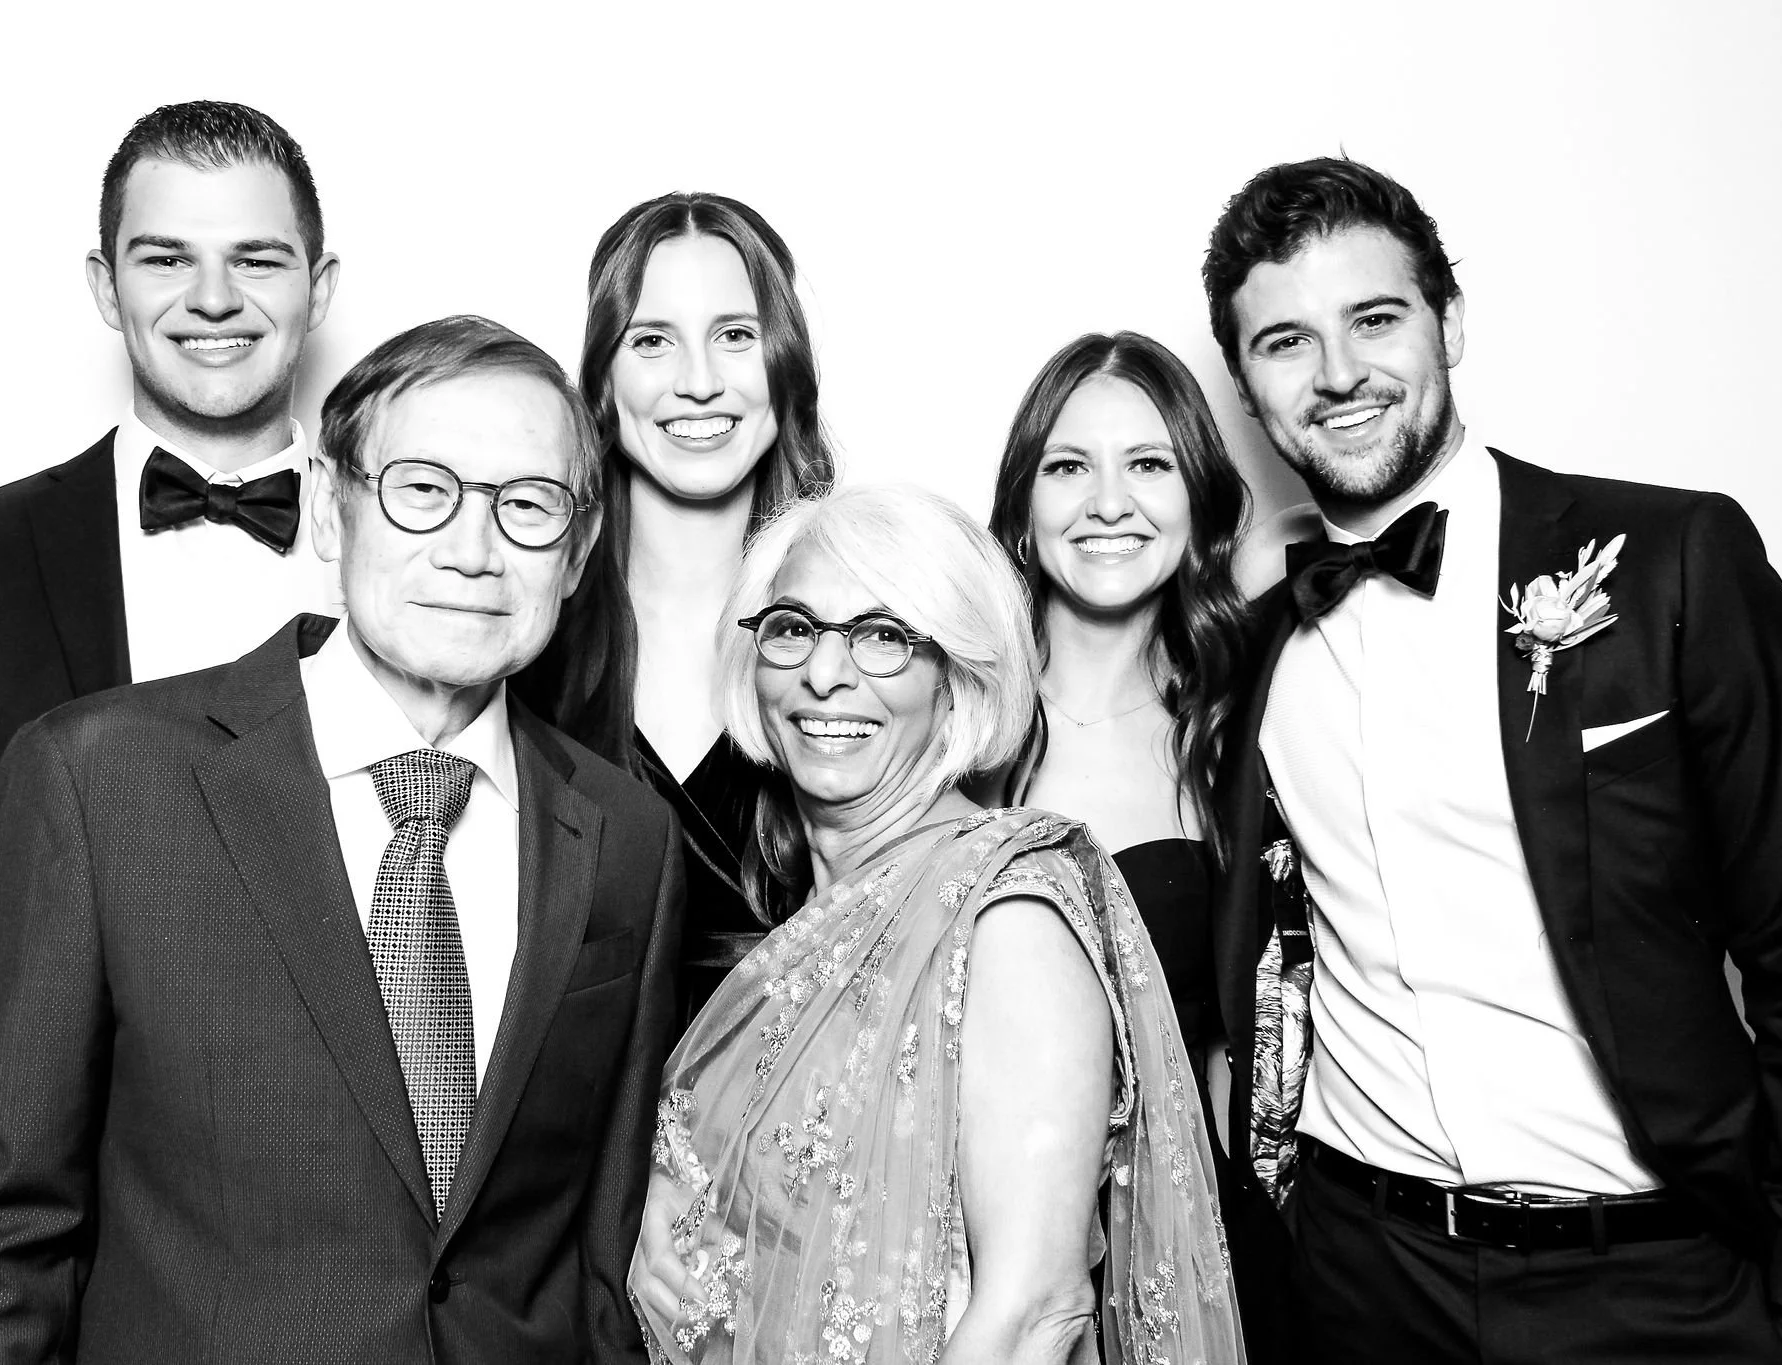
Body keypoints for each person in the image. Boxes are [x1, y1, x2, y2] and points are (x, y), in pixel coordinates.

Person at [0, 317, 684, 1363]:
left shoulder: (626, 835)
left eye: (528, 505)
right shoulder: (99, 781)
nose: (471, 550)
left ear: (578, 553)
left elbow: (597, 1262)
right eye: (421, 489)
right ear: (327, 507)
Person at [1205, 156, 1782, 1363]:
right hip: (1361, 1279)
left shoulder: (1669, 558)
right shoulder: (1254, 644)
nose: (1336, 374)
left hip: (1659, 1281)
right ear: (1247, 390)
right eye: (1284, 342)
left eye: (1374, 319)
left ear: (1450, 323)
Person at [0, 100, 341, 1365]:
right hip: (18, 1295)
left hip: (329, 1294)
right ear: (104, 284)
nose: (213, 298)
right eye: (165, 256)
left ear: (319, 287)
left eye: (256, 257)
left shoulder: (421, 560)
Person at [628, 485, 1242, 1363]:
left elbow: (1035, 1314)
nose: (824, 673)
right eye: (794, 627)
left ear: (957, 682)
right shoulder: (804, 917)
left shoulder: (1009, 917)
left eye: (884, 636)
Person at [516, 191, 837, 1023]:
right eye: (652, 340)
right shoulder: (519, 628)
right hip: (568, 1095)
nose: (698, 383)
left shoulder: (869, 626)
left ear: (786, 362)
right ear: (602, 377)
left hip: (802, 1088)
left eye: (735, 336)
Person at [982, 330, 1251, 1074]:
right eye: (1069, 466)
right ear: (1025, 504)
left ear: (1197, 498)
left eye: (1149, 464)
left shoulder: (1234, 730)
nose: (1107, 504)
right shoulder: (948, 721)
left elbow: (1231, 1053)